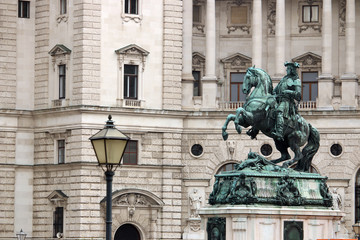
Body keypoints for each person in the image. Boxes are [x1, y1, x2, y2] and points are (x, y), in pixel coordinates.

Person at [272, 62, 302, 141]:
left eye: (288, 69)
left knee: (279, 111)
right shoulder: (283, 79)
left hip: (287, 102)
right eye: (287, 69)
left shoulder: (296, 80)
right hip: (278, 100)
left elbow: (298, 95)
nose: (287, 70)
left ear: (292, 70)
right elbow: (275, 90)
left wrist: (288, 92)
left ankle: (279, 132)